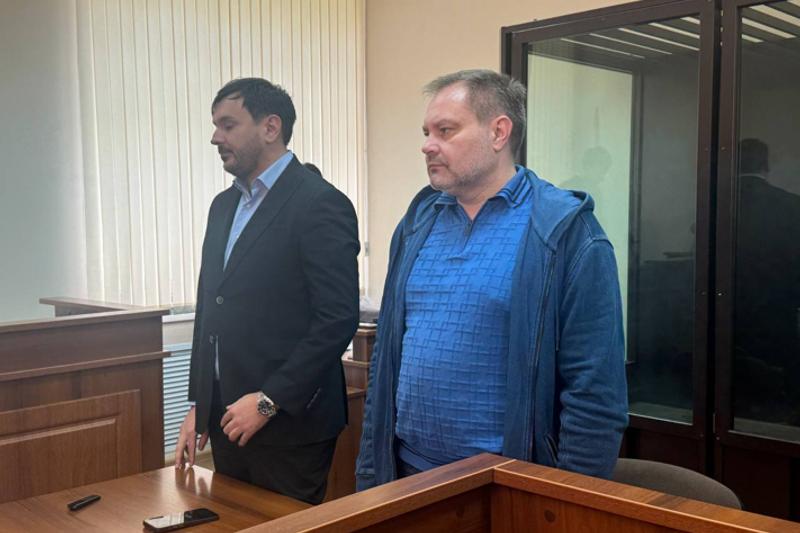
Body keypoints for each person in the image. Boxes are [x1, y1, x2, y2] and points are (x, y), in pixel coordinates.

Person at [355, 69, 628, 490]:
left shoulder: (566, 233)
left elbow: (595, 394)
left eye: (446, 130)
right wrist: (370, 473)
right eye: (427, 132)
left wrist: (562, 504)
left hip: (505, 487)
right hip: (406, 475)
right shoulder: (417, 224)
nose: (427, 145)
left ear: (499, 132)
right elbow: (386, 363)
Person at [174, 78, 360, 504]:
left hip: (290, 425)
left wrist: (267, 402)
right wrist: (199, 404)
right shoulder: (223, 206)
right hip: (226, 419)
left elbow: (336, 319)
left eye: (228, 125)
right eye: (215, 125)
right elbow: (210, 310)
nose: (215, 137)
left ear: (270, 127)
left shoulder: (319, 203)